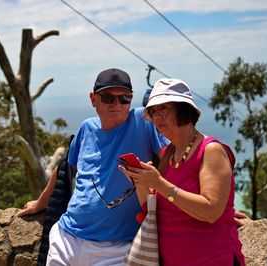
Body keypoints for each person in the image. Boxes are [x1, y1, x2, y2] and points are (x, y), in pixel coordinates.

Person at [18, 68, 169, 265]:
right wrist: (40, 203)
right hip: (68, 237)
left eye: (124, 98)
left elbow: (172, 158)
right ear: (93, 99)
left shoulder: (142, 121)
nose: (117, 104)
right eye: (108, 97)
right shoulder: (86, 128)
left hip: (117, 247)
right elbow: (65, 169)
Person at [119, 78, 245, 265]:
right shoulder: (167, 153)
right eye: (153, 111)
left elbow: (211, 211)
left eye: (164, 108)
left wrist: (159, 183)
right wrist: (142, 182)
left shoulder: (210, 150)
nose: (157, 116)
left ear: (184, 109)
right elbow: (153, 208)